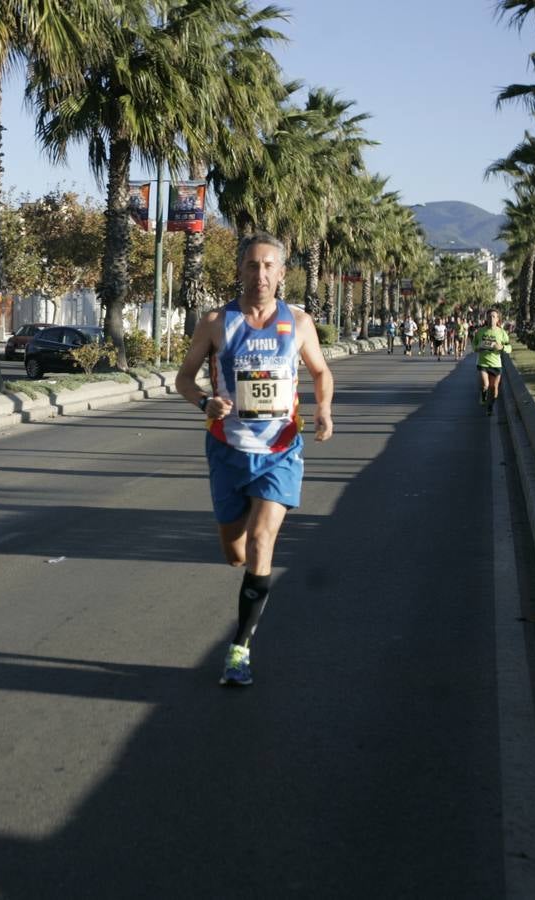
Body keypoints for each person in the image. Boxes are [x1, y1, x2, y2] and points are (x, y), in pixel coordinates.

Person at [176, 232, 335, 687]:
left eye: (268, 266)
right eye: (252, 265)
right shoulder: (215, 322)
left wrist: (323, 410)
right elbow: (184, 379)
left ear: (282, 273)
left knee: (263, 541)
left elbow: (321, 371)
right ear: (240, 270)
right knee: (235, 554)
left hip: (280, 449)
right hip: (227, 450)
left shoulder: (299, 322)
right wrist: (204, 402)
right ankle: (242, 545)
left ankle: (239, 649)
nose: (260, 274)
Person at [472, 308, 513, 417]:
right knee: (485, 385)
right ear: (486, 318)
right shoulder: (480, 331)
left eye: (493, 316)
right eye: (489, 316)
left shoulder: (502, 332)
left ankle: (490, 406)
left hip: (496, 364)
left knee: (494, 388)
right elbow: (474, 345)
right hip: (483, 363)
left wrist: (502, 347)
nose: (491, 318)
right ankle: (483, 394)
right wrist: (478, 348)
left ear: (497, 319)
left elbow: (509, 347)